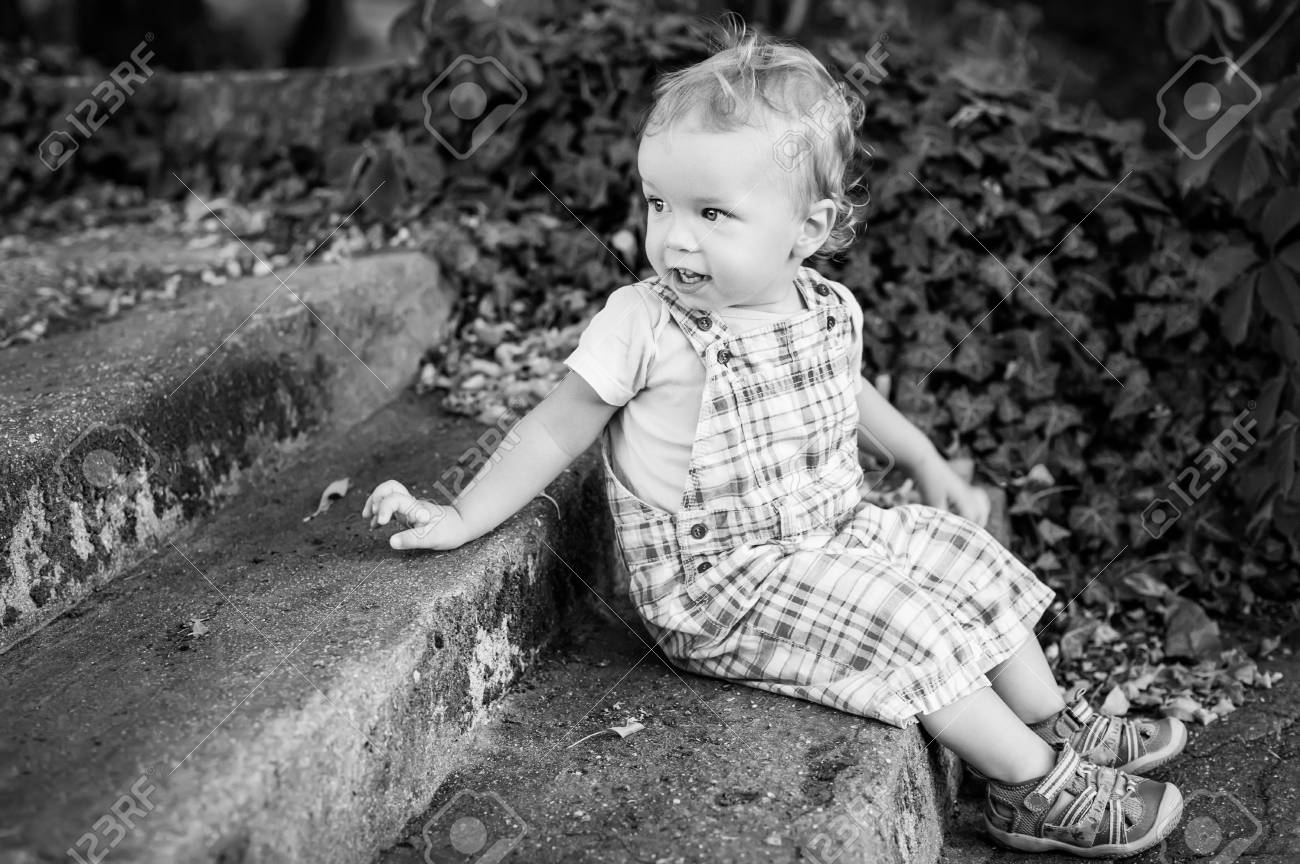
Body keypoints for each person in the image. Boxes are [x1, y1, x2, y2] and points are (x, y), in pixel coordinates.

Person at [362, 22, 1188, 857]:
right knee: (905, 623)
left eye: (712, 212)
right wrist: (464, 515)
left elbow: (850, 390)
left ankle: (1051, 720)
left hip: (827, 533)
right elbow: (554, 426)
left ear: (806, 227)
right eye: (659, 204)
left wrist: (927, 461)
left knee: (960, 558)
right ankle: (1027, 784)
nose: (675, 237)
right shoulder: (645, 322)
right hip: (720, 585)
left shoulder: (824, 305)